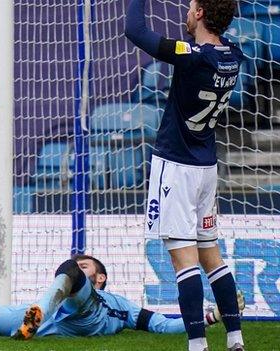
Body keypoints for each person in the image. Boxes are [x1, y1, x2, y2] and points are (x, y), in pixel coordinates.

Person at [124, 0, 245, 350]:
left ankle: (197, 345)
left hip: (176, 165)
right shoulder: (233, 56)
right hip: (207, 166)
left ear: (202, 13)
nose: (187, 13)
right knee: (211, 255)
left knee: (183, 258)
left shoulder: (192, 54)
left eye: (191, 7)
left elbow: (135, 31)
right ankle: (235, 340)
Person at [0, 255, 243, 341]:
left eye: (87, 266)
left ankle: (39, 312)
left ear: (102, 278)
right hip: (44, 320)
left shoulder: (117, 304)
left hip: (76, 314)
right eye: (80, 266)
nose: (81, 267)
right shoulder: (57, 290)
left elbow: (161, 324)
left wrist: (211, 316)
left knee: (66, 279)